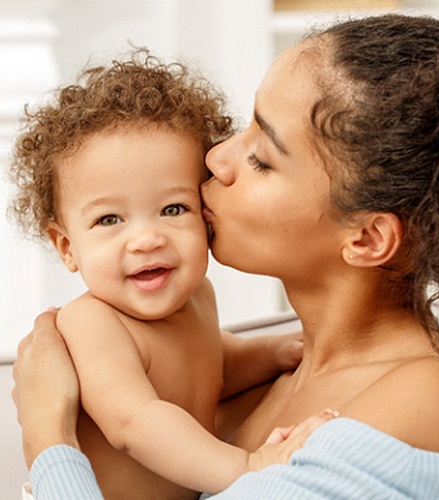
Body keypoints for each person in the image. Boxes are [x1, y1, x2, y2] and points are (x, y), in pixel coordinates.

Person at [12, 8, 439, 500]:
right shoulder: (272, 380)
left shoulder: (431, 404)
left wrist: (48, 435)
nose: (214, 157)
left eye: (261, 158)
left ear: (368, 238)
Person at [7, 53, 336, 500]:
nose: (145, 239)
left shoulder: (198, 295)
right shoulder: (91, 325)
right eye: (109, 220)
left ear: (205, 213)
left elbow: (212, 362)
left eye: (172, 209)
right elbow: (135, 422)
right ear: (66, 246)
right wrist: (249, 466)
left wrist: (274, 352)